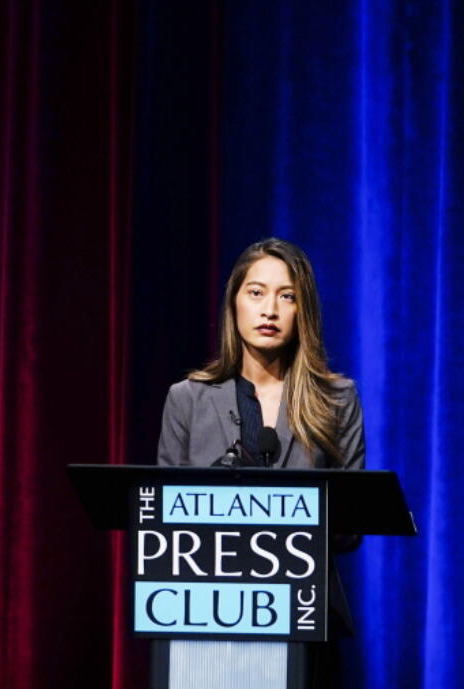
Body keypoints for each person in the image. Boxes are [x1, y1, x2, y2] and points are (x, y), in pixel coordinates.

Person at [156, 237, 363, 688]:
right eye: (256, 292)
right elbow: (163, 525)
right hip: (203, 618)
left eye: (286, 296)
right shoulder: (186, 399)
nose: (269, 308)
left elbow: (348, 531)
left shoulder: (336, 401)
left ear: (302, 311)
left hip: (303, 618)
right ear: (234, 303)